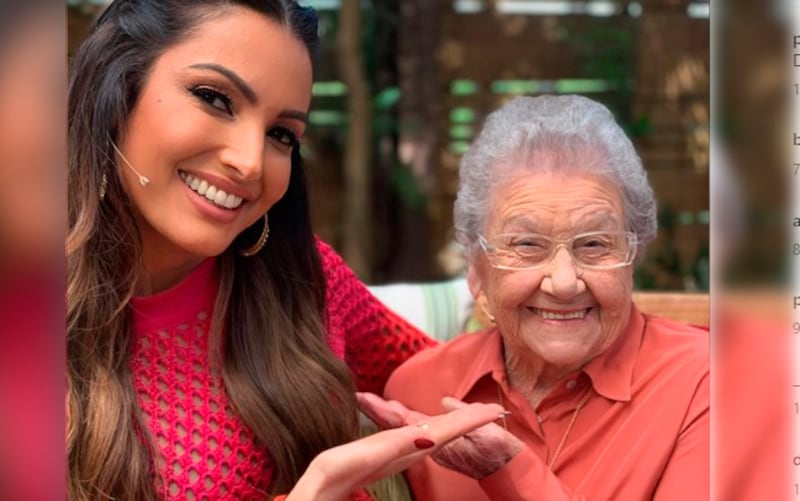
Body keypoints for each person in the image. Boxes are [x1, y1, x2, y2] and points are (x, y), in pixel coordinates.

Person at [65, 1, 501, 499]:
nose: (250, 163)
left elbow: (451, 380)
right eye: (215, 98)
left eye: (280, 135)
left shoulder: (300, 278)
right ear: (116, 90)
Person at [361, 95, 709, 500]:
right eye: (526, 244)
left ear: (632, 258)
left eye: (595, 244)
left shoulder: (709, 385)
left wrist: (509, 473)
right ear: (476, 270)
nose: (564, 283)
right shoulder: (420, 389)